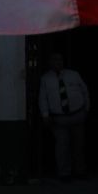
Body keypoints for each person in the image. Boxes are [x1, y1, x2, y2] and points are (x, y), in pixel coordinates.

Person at [37, 53, 90, 181]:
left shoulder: (73, 74)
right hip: (59, 118)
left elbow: (85, 91)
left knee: (79, 145)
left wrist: (86, 109)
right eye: (54, 60)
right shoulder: (45, 79)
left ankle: (80, 171)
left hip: (77, 114)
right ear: (50, 62)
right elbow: (43, 98)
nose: (58, 62)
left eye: (60, 59)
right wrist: (45, 115)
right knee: (62, 146)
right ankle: (64, 173)